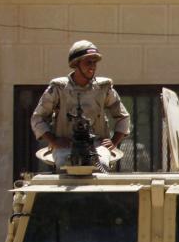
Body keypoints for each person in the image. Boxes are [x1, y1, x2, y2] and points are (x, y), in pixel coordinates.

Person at [30, 40, 130, 172]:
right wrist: (54, 141)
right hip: (65, 145)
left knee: (102, 166)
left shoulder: (103, 88)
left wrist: (114, 142)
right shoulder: (59, 88)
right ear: (76, 64)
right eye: (88, 62)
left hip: (97, 145)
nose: (92, 66)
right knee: (64, 166)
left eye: (94, 62)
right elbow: (38, 118)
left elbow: (123, 117)